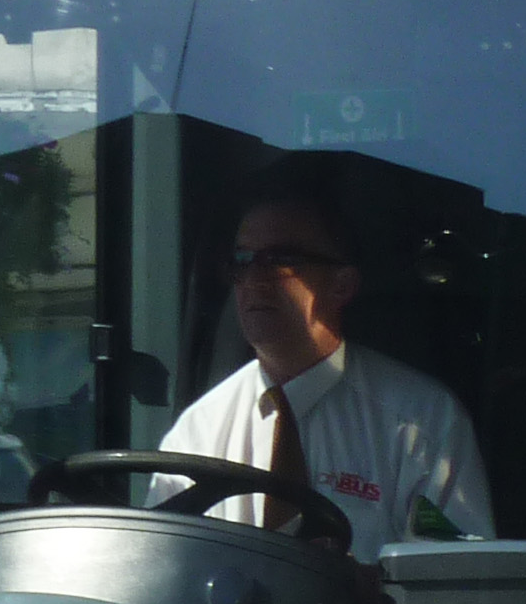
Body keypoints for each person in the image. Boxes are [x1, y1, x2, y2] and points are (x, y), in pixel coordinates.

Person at [159, 155, 491, 560]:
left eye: (281, 260)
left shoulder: (423, 421)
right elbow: (159, 574)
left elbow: (454, 584)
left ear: (342, 284)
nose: (255, 280)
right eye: (243, 261)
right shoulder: (198, 431)